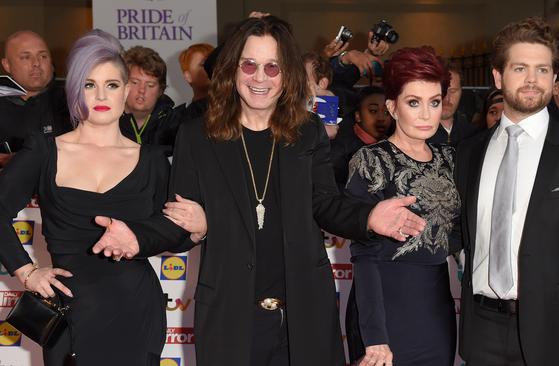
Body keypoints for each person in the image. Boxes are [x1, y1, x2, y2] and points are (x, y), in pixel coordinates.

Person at [89, 16, 426, 366]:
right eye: (249, 65)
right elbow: (180, 222)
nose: (260, 77)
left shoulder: (307, 131)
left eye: (272, 67)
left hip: (303, 316)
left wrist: (369, 216)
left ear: (288, 74)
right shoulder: (197, 137)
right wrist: (138, 238)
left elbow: (325, 204)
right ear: (233, 70)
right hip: (230, 318)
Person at [0, 30, 191, 365]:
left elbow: (175, 233)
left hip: (137, 312)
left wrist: (195, 227)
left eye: (112, 84)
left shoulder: (152, 160)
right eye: (89, 84)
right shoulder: (45, 150)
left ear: (126, 91)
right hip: (72, 316)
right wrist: (26, 272)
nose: (101, 94)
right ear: (75, 90)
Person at [455, 17, 559, 366]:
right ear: (498, 77)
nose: (532, 80)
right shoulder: (470, 153)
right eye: (520, 68)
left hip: (556, 330)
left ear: (553, 77)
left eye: (543, 69)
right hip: (480, 328)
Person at [344, 46, 459, 366]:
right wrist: (375, 337)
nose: (426, 114)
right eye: (414, 102)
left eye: (434, 102)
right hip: (384, 311)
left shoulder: (450, 160)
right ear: (393, 107)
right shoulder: (370, 160)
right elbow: (364, 256)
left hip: (437, 312)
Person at [0, 30, 71, 167]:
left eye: (43, 56)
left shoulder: (72, 102)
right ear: (7, 65)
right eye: (26, 57)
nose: (36, 63)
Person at [119, 46, 185, 155]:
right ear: (123, 84)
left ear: (161, 90)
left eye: (150, 85)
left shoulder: (176, 125)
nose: (141, 90)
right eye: (135, 82)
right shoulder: (107, 121)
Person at [330, 86, 391, 190]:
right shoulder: (340, 149)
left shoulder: (393, 144)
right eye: (373, 111)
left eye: (386, 112)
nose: (381, 118)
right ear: (358, 116)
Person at [427, 62, 478, 147]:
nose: (446, 98)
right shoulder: (418, 135)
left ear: (461, 92)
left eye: (453, 91)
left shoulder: (473, 134)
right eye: (441, 91)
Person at [178, 43, 214, 121]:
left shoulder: (235, 108)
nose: (212, 67)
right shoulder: (180, 119)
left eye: (214, 62)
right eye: (203, 64)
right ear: (188, 76)